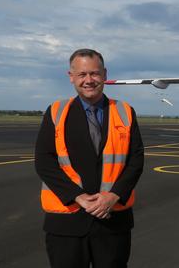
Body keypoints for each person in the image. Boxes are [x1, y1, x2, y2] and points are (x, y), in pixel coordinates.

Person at [35, 48, 144, 268]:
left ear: (104, 74)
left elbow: (136, 160)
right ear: (71, 77)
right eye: (82, 74)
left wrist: (113, 196)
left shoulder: (124, 111)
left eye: (94, 74)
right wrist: (78, 197)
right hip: (67, 221)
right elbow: (44, 162)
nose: (89, 80)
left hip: (112, 219)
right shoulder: (56, 111)